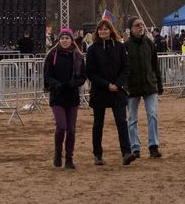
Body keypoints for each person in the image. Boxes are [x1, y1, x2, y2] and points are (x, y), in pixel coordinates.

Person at [86, 19, 136, 166]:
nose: (103, 31)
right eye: (100, 29)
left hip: (117, 91)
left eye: (106, 29)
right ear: (97, 32)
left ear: (110, 31)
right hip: (100, 91)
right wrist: (106, 85)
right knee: (98, 124)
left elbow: (126, 68)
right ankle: (97, 154)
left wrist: (118, 84)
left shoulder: (119, 47)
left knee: (121, 122)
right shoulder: (92, 49)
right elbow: (90, 72)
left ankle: (126, 152)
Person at [44, 29, 86, 169]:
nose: (65, 40)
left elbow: (82, 77)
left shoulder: (78, 56)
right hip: (57, 96)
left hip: (72, 96)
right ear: (59, 40)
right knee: (61, 126)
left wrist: (72, 84)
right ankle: (57, 153)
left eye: (67, 38)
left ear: (71, 40)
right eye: (63, 38)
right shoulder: (52, 56)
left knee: (72, 129)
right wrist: (56, 85)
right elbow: (47, 76)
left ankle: (69, 157)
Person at [125, 16, 164, 159]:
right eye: (137, 25)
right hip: (132, 87)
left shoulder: (149, 43)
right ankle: (135, 147)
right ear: (131, 28)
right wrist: (125, 86)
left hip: (149, 85)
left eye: (141, 24)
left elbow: (155, 66)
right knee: (132, 119)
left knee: (153, 115)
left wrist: (159, 85)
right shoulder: (126, 46)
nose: (141, 27)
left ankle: (153, 146)